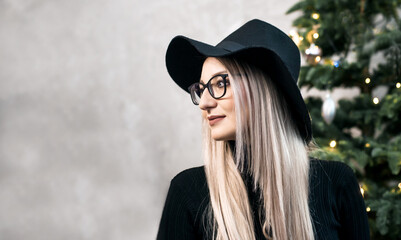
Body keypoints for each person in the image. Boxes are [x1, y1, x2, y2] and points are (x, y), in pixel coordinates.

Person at [157, 19, 370, 240]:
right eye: (201, 89)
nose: (204, 103)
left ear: (263, 92)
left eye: (220, 84)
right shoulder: (188, 192)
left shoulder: (335, 183)